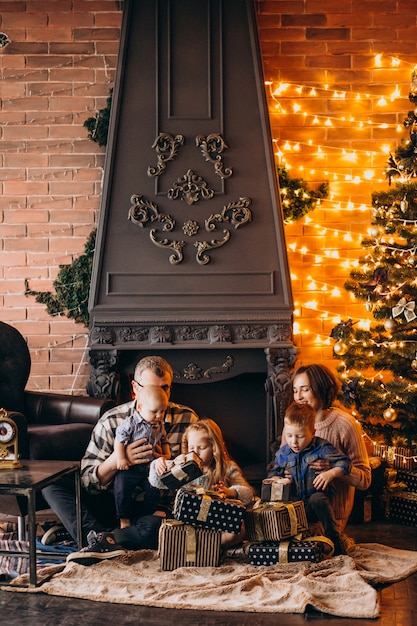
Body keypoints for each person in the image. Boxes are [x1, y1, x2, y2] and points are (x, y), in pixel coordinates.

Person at [41, 355, 199, 563]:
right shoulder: (113, 420)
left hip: (155, 508)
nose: (160, 394)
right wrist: (115, 461)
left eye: (165, 388)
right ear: (135, 388)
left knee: (159, 529)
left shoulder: (187, 420)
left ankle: (99, 540)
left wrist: (169, 466)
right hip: (113, 503)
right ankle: (107, 536)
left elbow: (197, 475)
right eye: (152, 388)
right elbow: (87, 482)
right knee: (51, 483)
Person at [288, 363, 371, 538]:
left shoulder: (344, 424)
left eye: (305, 389)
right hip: (298, 509)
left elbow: (365, 479)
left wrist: (333, 469)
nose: (299, 397)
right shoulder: (293, 423)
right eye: (295, 390)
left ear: (321, 389)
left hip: (331, 516)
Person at [149, 418, 255, 546]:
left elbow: (248, 493)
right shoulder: (183, 466)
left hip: (215, 520)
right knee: (155, 526)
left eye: (202, 448)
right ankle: (202, 545)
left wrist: (231, 492)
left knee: (239, 530)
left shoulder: (227, 468)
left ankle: (205, 545)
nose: (195, 452)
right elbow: (157, 482)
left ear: (214, 448)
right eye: (191, 447)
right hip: (188, 520)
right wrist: (158, 464)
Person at [268, 402, 352, 555]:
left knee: (318, 498)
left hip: (315, 504)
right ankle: (279, 545)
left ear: (312, 432)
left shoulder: (322, 447)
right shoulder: (283, 453)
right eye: (289, 435)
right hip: (294, 505)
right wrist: (278, 480)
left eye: (300, 436)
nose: (294, 441)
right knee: (276, 504)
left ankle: (334, 538)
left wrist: (330, 473)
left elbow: (345, 462)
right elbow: (273, 473)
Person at [114, 384, 171, 529]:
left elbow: (164, 440)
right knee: (122, 486)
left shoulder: (159, 424)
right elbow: (119, 439)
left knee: (154, 487)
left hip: (149, 465)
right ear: (140, 408)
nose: (159, 416)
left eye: (162, 411)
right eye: (154, 412)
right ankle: (124, 517)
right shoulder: (131, 423)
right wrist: (121, 458)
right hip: (132, 466)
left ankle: (150, 512)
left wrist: (166, 455)